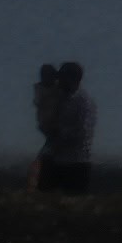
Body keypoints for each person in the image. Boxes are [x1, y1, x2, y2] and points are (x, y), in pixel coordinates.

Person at [40, 61, 97, 193]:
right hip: (57, 160)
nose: (59, 81)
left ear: (72, 79)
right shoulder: (61, 99)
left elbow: (83, 131)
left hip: (76, 163)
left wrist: (60, 138)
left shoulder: (83, 102)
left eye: (63, 78)